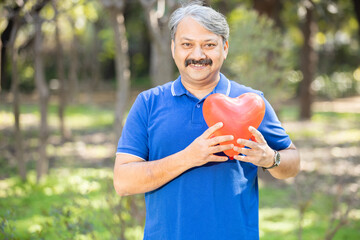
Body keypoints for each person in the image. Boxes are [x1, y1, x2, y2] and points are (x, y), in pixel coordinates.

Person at [114, 2, 300, 240]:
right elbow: (123, 182)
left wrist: (270, 158)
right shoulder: (148, 103)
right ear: (173, 48)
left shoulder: (252, 103)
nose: (198, 55)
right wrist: (188, 158)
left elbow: (293, 162)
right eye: (187, 44)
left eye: (209, 45)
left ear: (225, 48)